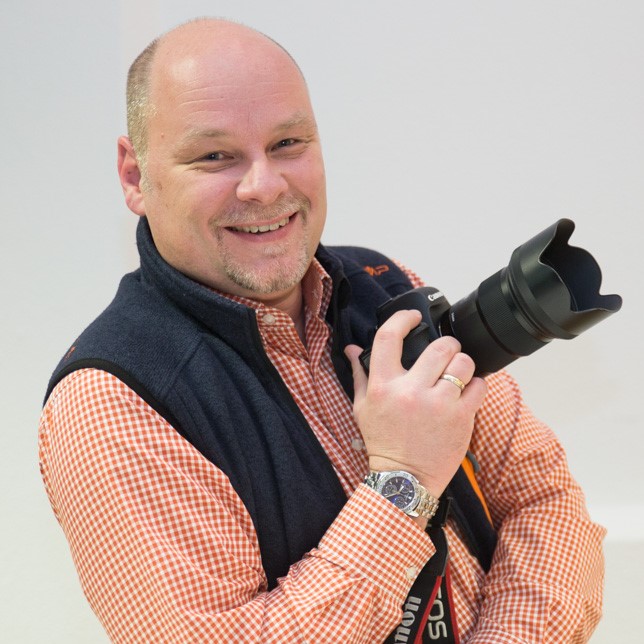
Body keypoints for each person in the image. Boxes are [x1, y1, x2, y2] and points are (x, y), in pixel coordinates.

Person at [39, 18, 605, 643]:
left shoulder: (384, 286)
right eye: (215, 156)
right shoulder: (112, 401)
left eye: (287, 143)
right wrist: (404, 479)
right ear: (134, 175)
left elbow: (545, 500)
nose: (265, 186)